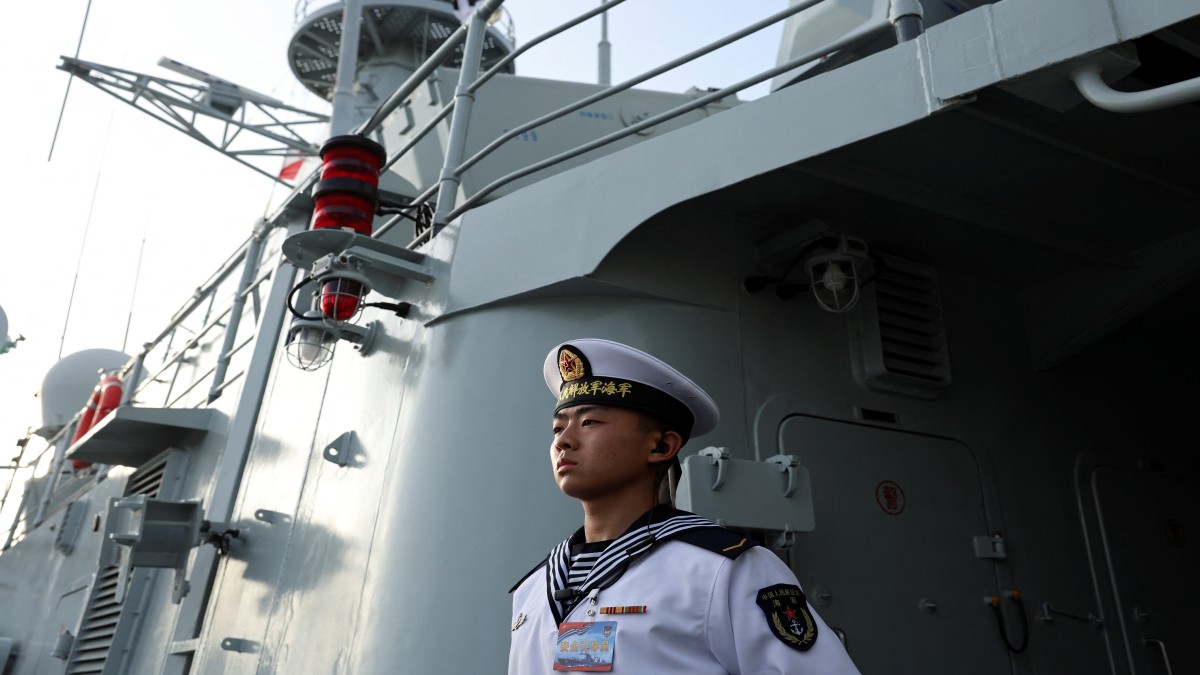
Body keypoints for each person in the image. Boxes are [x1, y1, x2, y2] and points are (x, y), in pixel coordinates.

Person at [509, 338, 861, 674]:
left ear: (661, 447)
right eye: (557, 428)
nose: (564, 441)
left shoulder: (723, 571)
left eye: (590, 422)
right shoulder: (535, 588)